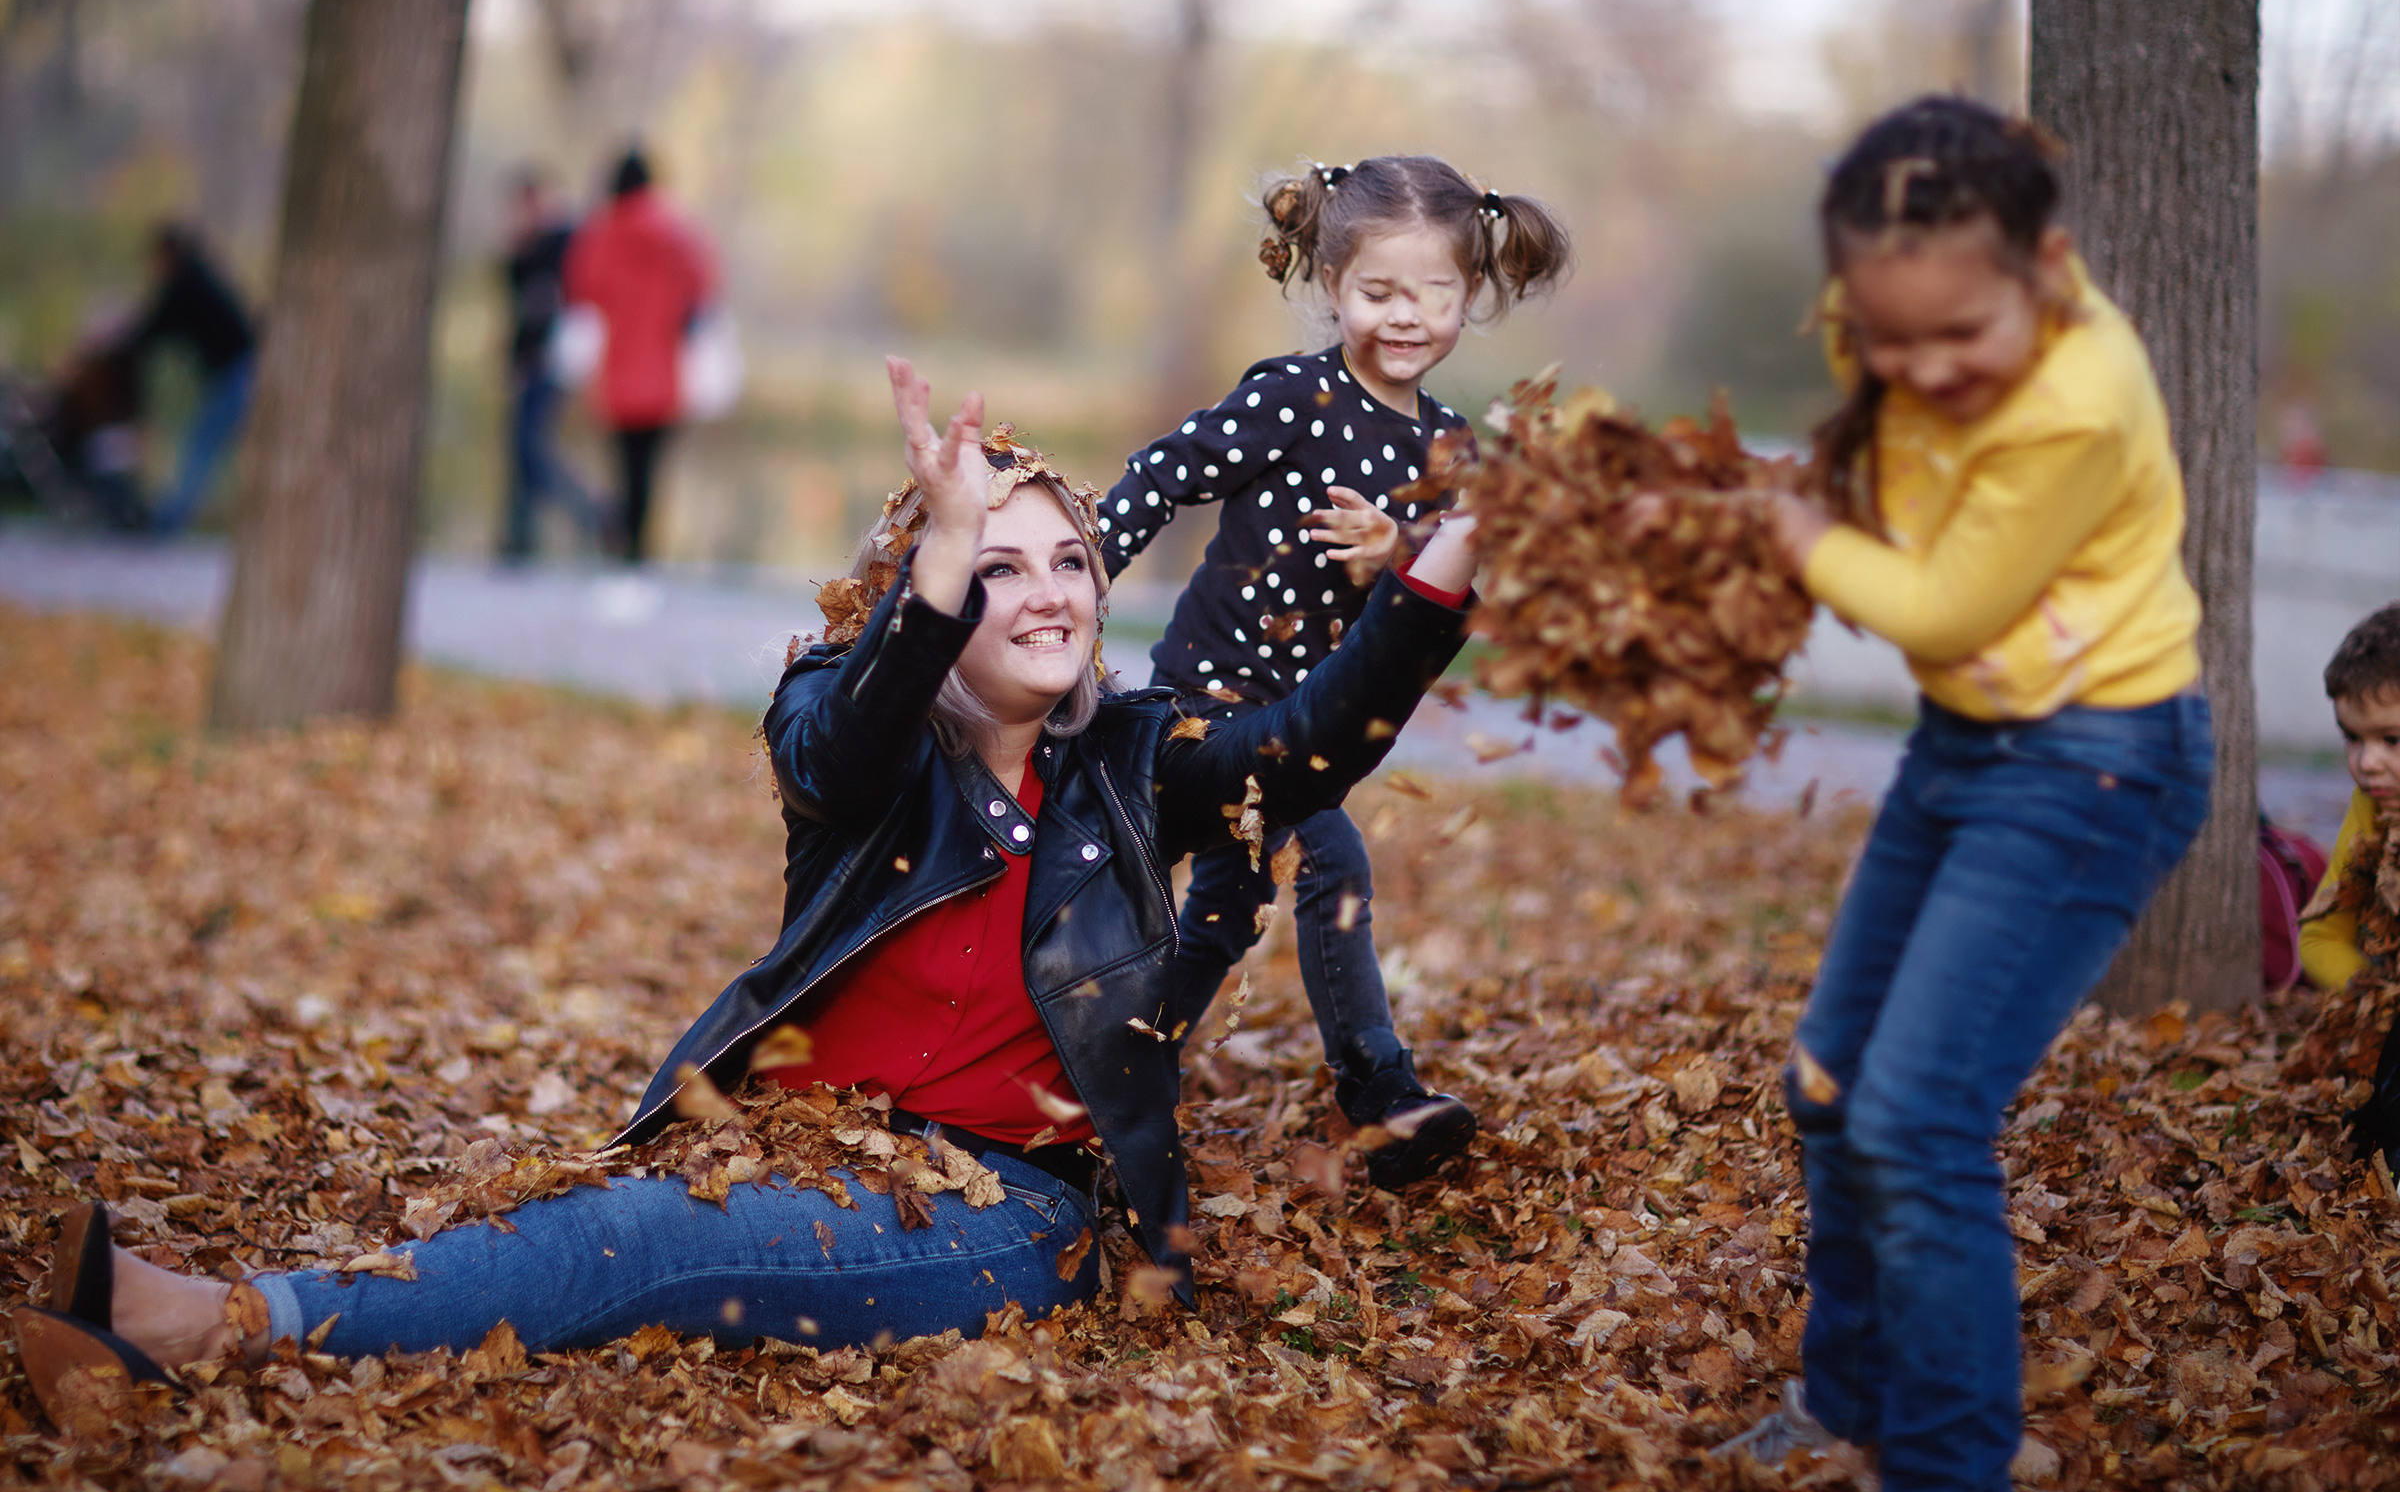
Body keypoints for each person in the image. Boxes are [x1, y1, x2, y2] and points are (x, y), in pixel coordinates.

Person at [7, 357, 1485, 1430]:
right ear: (928, 597)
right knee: (609, 1230)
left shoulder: (1134, 760)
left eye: (1075, 564)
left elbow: (1299, 752)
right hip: (785, 1145)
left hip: (1000, 1215)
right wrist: (947, 546)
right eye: (1002, 567)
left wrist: (1442, 574)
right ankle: (218, 1328)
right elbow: (850, 741)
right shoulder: (843, 731)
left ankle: (211, 1323)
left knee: (643, 1245)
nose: (1049, 592)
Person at [1712, 98, 2214, 1491]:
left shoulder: (2074, 403)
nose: (1925, 369)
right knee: (1831, 1085)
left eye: (1961, 336)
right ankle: (1847, 1399)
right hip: (1971, 744)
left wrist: (1797, 534)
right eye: (1890, 338)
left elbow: (1942, 607)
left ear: (2047, 271)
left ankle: (1946, 1464)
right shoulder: (1902, 276)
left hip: (2094, 761)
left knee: (1915, 1118)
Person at [1094, 155, 1570, 1187]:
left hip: (1308, 725)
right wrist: (1070, 585)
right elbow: (1161, 475)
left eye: (1435, 294)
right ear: (1331, 286)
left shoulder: (1449, 451)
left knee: (1229, 907)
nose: (1408, 317)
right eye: (1379, 292)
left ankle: (1134, 1064)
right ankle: (1370, 1090)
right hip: (1203, 709)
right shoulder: (1293, 399)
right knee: (1295, 866)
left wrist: (1395, 555)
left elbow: (1450, 608)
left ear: (1470, 295)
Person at [562, 148, 717, 565]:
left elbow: (582, 291)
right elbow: (705, 287)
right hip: (666, 375)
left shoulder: (601, 232)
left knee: (622, 466)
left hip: (618, 372)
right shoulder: (678, 232)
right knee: (649, 470)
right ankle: (638, 552)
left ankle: (621, 548)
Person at [2295, 603, 2400, 1165]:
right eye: (2353, 739)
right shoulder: (2371, 809)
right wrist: (2376, 1000)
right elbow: (2319, 937)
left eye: (2392, 740)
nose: (2367, 764)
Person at [125, 223, 257, 535]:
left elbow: (151, 330)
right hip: (241, 371)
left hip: (236, 374)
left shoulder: (185, 286)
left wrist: (121, 337)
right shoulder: (198, 278)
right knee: (212, 446)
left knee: (201, 446)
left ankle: (167, 522)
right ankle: (177, 518)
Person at [498, 167, 601, 562]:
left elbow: (561, 301)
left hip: (555, 360)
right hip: (527, 361)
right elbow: (519, 307)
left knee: (531, 445)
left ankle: (591, 512)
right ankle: (519, 537)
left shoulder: (564, 242)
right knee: (519, 447)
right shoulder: (523, 249)